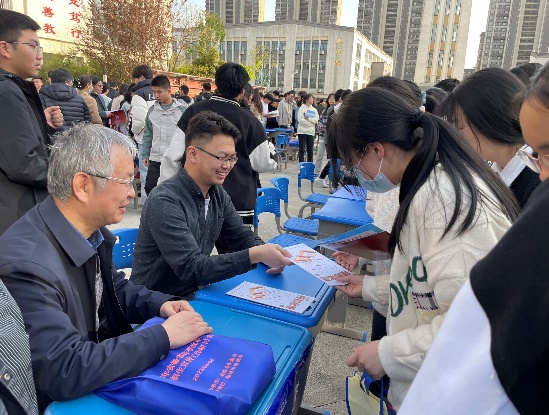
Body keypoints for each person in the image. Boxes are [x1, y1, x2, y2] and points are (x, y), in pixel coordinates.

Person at [329, 86, 519, 410]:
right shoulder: (427, 183)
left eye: (352, 163)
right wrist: (371, 287)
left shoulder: (443, 198)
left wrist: (387, 354)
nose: (356, 175)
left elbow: (472, 325)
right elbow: (424, 285)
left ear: (376, 149)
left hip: (452, 396)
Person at [0, 124, 213, 412]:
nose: (132, 193)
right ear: (83, 185)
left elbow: (113, 288)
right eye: (125, 181)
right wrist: (161, 337)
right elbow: (63, 369)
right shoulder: (27, 265)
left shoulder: (85, 231)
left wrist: (162, 305)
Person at [399, 62, 549, 415]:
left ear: (485, 121)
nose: (542, 171)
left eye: (458, 125)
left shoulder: (532, 193)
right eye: (537, 154)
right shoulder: (495, 176)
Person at [131, 111, 293, 297]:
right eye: (221, 157)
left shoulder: (216, 193)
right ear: (193, 154)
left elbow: (240, 236)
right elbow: (192, 268)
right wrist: (254, 255)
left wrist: (267, 254)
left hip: (196, 294)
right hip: (156, 303)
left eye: (232, 158)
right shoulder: (164, 201)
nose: (227, 165)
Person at [162, 62, 276, 229]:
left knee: (193, 244)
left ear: (217, 85)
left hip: (195, 197)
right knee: (238, 244)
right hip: (237, 201)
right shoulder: (250, 121)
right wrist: (272, 154)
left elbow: (172, 156)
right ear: (242, 90)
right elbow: (262, 163)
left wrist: (166, 193)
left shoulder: (194, 111)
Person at [437, 67, 540, 208]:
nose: (456, 136)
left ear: (489, 120)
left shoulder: (537, 181)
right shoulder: (497, 172)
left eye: (459, 127)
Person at [0, 9, 64, 235]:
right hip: (15, 214)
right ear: (5, 48)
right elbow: (24, 164)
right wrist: (71, 177)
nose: (39, 55)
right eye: (33, 46)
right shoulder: (6, 91)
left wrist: (41, 124)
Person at [142, 75, 187, 195]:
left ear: (169, 91)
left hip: (175, 159)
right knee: (150, 187)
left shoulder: (182, 111)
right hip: (156, 158)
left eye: (159, 92)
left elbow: (189, 135)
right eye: (154, 92)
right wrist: (145, 153)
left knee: (174, 190)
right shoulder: (152, 111)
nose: (156, 95)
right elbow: (148, 134)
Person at [129, 64, 155, 206]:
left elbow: (139, 120)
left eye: (135, 78)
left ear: (141, 77)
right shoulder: (160, 89)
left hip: (145, 138)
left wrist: (135, 133)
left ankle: (146, 202)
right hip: (161, 136)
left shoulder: (139, 94)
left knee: (146, 171)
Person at [39, 68, 91, 134]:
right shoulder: (79, 99)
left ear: (51, 80)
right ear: (68, 81)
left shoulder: (41, 97)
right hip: (76, 137)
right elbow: (87, 121)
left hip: (51, 138)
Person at [314, 92, 335, 186]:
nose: (331, 100)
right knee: (320, 155)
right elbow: (320, 122)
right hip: (323, 136)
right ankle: (316, 173)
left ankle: (327, 176)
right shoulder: (324, 111)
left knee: (330, 158)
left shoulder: (336, 111)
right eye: (330, 98)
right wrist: (322, 128)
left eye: (333, 98)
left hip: (331, 137)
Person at [297, 93, 319, 162]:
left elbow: (316, 120)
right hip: (302, 131)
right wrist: (310, 124)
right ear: (307, 100)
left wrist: (309, 119)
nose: (312, 100)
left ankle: (310, 164)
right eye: (311, 98)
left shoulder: (314, 110)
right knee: (302, 149)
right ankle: (301, 164)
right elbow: (301, 121)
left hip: (311, 132)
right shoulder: (301, 109)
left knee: (310, 150)